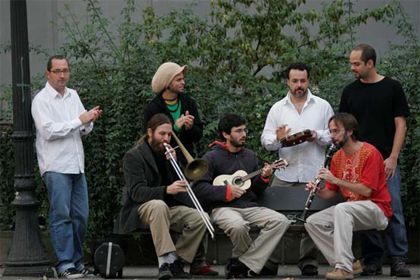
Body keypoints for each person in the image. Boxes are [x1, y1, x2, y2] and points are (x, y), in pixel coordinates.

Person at [115, 113, 217, 280]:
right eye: (162, 134)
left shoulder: (168, 154)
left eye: (169, 134)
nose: (166, 138)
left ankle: (176, 261)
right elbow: (137, 192)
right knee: (158, 205)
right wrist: (166, 190)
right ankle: (164, 262)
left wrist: (174, 164)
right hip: (142, 208)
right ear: (150, 132)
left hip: (167, 207)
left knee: (200, 218)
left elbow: (179, 185)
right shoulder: (134, 156)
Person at [339, 43, 411, 277]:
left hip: (385, 161)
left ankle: (399, 260)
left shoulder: (392, 87)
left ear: (370, 63)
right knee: (364, 209)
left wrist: (393, 157)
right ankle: (372, 260)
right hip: (359, 162)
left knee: (394, 209)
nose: (352, 68)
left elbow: (401, 124)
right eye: (351, 63)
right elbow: (344, 128)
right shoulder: (350, 91)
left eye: (356, 63)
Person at [193, 114, 291, 278]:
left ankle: (242, 263)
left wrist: (264, 178)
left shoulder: (250, 156)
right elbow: (199, 189)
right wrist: (226, 192)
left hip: (249, 206)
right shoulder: (211, 157)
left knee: (281, 221)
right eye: (238, 131)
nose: (244, 134)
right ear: (226, 134)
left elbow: (255, 190)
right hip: (223, 208)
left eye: (244, 130)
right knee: (238, 226)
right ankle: (248, 265)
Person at [31, 55, 102, 278]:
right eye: (58, 71)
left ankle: (77, 262)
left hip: (76, 165)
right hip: (55, 165)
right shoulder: (41, 100)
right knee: (61, 215)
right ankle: (65, 264)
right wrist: (80, 120)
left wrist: (89, 121)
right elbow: (48, 131)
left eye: (66, 70)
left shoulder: (73, 95)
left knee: (81, 215)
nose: (63, 75)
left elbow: (81, 130)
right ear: (48, 74)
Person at [260, 62, 334, 276]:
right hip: (285, 172)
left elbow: (333, 136)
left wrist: (316, 135)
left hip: (313, 171)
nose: (299, 85)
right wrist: (279, 139)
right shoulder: (277, 108)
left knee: (312, 217)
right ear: (288, 82)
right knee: (274, 217)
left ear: (308, 80)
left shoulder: (323, 106)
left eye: (303, 80)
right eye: (295, 81)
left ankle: (308, 261)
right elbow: (266, 140)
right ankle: (270, 261)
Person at [304, 113, 392, 280]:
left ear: (350, 131)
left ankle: (344, 269)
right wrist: (316, 190)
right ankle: (349, 263)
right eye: (330, 131)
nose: (332, 136)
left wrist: (335, 179)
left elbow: (367, 191)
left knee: (342, 209)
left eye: (336, 131)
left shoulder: (370, 152)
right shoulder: (337, 157)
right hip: (351, 211)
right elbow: (330, 192)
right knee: (313, 222)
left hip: (377, 209)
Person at [144, 62, 203, 166]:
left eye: (183, 79)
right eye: (178, 80)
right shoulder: (153, 108)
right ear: (167, 83)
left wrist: (190, 128)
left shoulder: (188, 102)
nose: (183, 82)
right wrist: (174, 129)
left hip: (187, 162)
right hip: (164, 162)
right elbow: (150, 139)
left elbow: (198, 135)